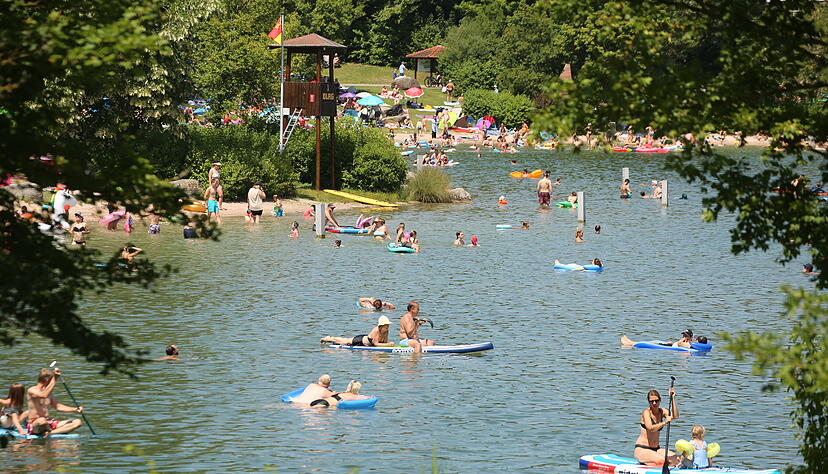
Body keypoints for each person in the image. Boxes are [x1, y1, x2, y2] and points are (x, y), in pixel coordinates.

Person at [27, 368, 84, 436]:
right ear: (47, 380)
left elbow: (58, 406)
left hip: (48, 422)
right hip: (35, 424)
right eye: (51, 381)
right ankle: (53, 431)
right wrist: (55, 379)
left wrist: (75, 409)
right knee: (42, 421)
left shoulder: (49, 393)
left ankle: (50, 433)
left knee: (77, 422)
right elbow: (43, 395)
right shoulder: (32, 390)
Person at [634, 388, 679, 466]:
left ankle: (651, 463)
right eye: (651, 401)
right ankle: (649, 463)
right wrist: (664, 422)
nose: (654, 403)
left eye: (656, 401)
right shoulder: (646, 412)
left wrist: (673, 398)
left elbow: (675, 416)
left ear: (660, 401)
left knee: (676, 460)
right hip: (642, 449)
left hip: (656, 449)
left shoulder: (662, 411)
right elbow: (650, 428)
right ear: (649, 403)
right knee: (663, 461)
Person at [321, 315, 395, 347]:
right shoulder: (376, 330)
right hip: (360, 340)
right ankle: (328, 339)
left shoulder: (386, 331)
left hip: (367, 341)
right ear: (381, 326)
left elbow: (384, 342)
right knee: (345, 341)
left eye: (388, 325)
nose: (388, 326)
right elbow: (376, 344)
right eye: (386, 325)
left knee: (345, 341)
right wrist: (388, 344)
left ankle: (330, 338)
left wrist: (387, 344)